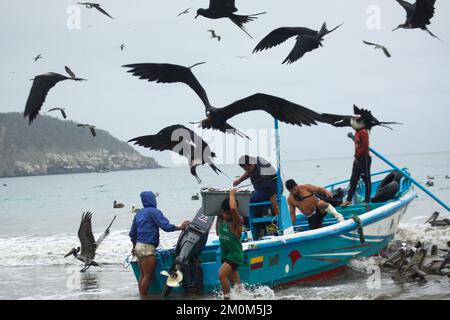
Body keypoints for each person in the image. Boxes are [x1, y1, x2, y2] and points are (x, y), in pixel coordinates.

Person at [129, 191, 189, 297]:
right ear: (152, 199)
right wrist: (180, 227)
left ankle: (142, 296)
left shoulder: (139, 213)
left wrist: (134, 247)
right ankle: (143, 297)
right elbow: (165, 226)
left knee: (143, 276)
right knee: (148, 276)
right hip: (147, 248)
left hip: (138, 247)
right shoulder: (154, 212)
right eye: (154, 198)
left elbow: (132, 233)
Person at [216, 188, 244, 300]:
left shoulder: (237, 223)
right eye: (223, 212)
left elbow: (232, 208)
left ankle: (226, 300)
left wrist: (232, 194)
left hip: (235, 256)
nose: (225, 215)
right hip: (225, 256)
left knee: (221, 274)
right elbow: (218, 232)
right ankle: (244, 297)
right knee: (237, 287)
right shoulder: (222, 220)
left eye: (227, 213)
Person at [342, 118, 372, 207]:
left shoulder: (363, 132)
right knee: (353, 179)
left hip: (364, 159)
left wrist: (357, 156)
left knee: (366, 179)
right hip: (357, 159)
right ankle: (348, 200)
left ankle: (367, 200)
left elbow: (365, 147)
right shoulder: (357, 132)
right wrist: (356, 157)